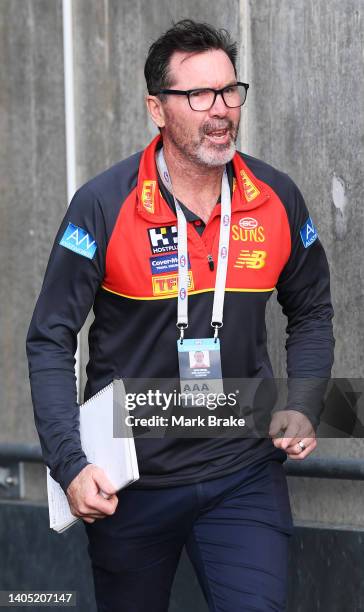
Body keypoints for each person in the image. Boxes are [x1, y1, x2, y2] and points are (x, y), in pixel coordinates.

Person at [26, 19, 334, 612]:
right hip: (130, 483)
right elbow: (49, 338)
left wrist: (305, 402)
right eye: (198, 95)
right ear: (157, 109)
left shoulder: (275, 199)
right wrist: (70, 464)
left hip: (243, 471)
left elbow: (313, 309)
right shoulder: (102, 205)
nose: (220, 111)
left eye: (228, 91)